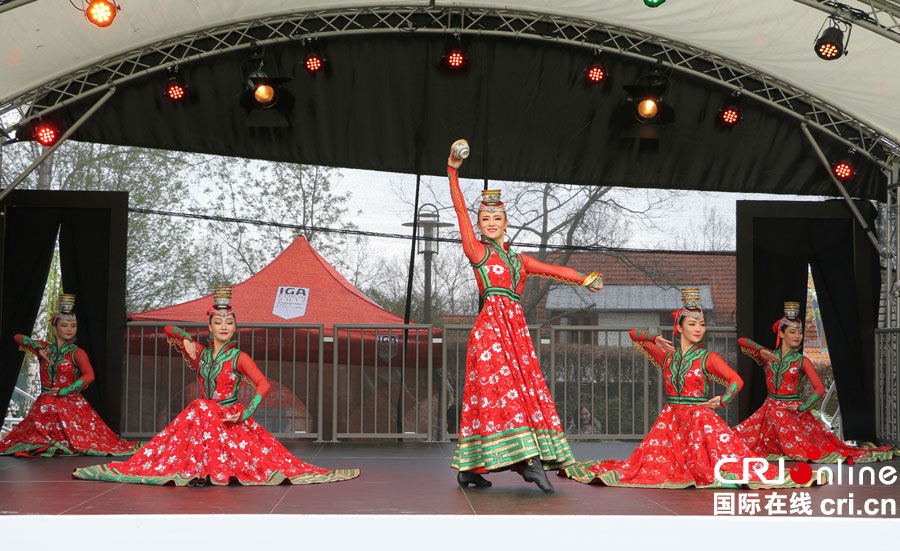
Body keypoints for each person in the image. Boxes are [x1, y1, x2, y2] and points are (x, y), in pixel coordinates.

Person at [73, 287, 359, 486]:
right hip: (202, 415)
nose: (224, 326)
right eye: (218, 321)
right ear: (209, 326)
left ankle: (210, 469)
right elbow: (169, 330)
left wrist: (247, 413)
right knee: (197, 409)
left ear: (235, 327)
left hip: (229, 415)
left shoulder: (239, 357)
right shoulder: (201, 354)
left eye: (230, 322)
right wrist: (186, 333)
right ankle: (198, 469)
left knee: (250, 450)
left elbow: (262, 384)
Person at [447, 140, 604, 493]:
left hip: (515, 334)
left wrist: (585, 279)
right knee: (498, 395)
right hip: (490, 334)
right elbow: (459, 212)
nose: (489, 222)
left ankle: (469, 470)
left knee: (511, 395)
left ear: (506, 223)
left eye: (496, 218)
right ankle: (530, 463)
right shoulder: (478, 252)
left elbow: (553, 269)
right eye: (484, 218)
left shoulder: (519, 261)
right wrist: (453, 171)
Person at [560, 289, 814, 489]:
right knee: (643, 468)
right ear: (679, 328)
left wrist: (722, 399)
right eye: (692, 324)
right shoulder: (667, 356)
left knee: (721, 466)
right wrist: (652, 338)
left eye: (701, 324)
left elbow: (737, 380)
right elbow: (633, 334)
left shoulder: (707, 358)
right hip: (671, 421)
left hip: (700, 419)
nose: (698, 330)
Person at [735, 302, 896, 463]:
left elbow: (820, 389)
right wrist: (760, 350)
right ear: (781, 334)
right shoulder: (769, 357)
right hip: (768, 410)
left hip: (790, 412)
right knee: (734, 438)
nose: (797, 336)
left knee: (788, 427)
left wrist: (802, 407)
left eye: (800, 332)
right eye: (792, 332)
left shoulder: (801, 361)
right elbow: (741, 340)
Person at [0, 294, 139, 457]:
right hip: (45, 404)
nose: (69, 329)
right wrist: (37, 348)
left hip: (69, 403)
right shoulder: (45, 349)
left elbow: (89, 376)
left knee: (88, 440)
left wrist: (65, 390)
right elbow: (18, 338)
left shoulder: (77, 353)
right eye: (64, 325)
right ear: (55, 328)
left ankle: (55, 443)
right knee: (37, 423)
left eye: (73, 326)